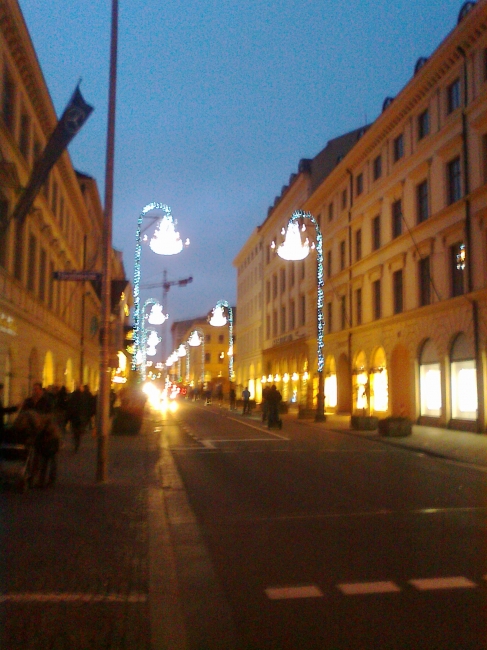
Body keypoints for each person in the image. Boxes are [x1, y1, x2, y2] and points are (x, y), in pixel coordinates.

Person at [67, 385, 94, 452]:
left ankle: (76, 441)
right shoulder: (85, 396)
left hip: (75, 416)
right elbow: (88, 405)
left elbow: (70, 406)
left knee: (75, 430)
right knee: (78, 430)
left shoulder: (74, 396)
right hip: (80, 416)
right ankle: (77, 440)